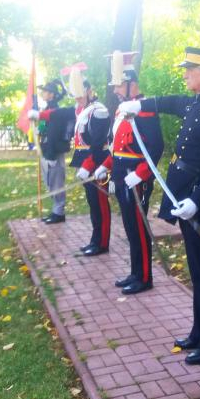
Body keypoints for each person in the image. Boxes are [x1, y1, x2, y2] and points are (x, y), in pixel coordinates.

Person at [119, 47, 200, 365]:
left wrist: (198, 201)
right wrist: (137, 105)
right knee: (197, 269)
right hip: (186, 196)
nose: (184, 74)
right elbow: (168, 102)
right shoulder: (199, 102)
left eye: (190, 69)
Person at [94, 51, 163, 295]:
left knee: (139, 226)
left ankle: (145, 277)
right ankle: (135, 272)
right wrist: (107, 166)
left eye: (119, 85)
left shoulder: (144, 110)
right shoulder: (121, 111)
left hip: (137, 178)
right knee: (129, 226)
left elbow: (156, 148)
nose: (115, 90)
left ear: (132, 84)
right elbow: (118, 148)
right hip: (123, 175)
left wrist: (142, 174)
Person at [66, 65, 112, 256]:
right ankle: (95, 239)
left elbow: (99, 143)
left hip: (97, 162)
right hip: (86, 162)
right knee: (93, 204)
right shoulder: (81, 110)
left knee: (100, 204)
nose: (77, 98)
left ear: (89, 91)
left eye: (80, 94)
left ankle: (102, 243)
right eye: (74, 95)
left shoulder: (98, 110)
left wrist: (88, 165)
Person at [27, 79, 74, 224]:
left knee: (56, 183)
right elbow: (45, 130)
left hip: (53, 151)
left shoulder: (56, 111)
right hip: (47, 149)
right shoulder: (47, 109)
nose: (43, 93)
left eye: (46, 91)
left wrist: (51, 154)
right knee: (50, 182)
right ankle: (56, 210)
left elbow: (54, 133)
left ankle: (59, 212)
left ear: (52, 95)